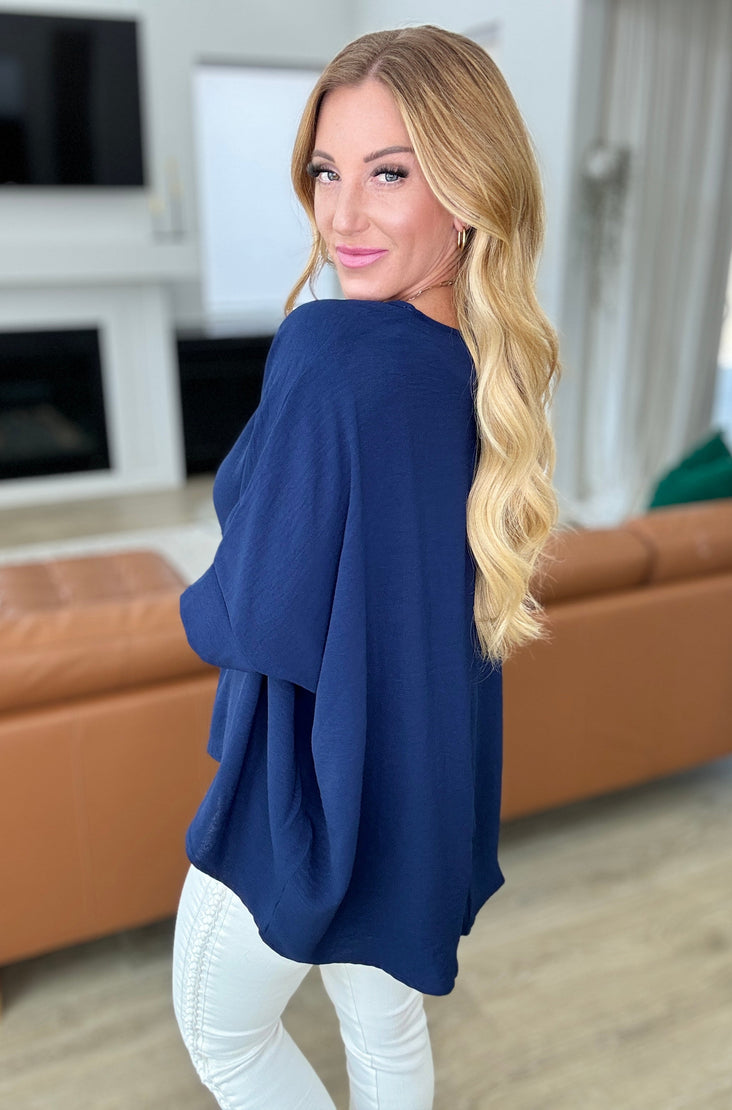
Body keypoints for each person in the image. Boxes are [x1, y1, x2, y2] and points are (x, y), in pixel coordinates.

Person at [172, 23, 560, 1110]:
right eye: (325, 172)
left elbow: (251, 612)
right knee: (382, 1023)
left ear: (468, 190)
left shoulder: (331, 353)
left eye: (388, 173)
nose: (340, 216)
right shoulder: (488, 367)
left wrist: (201, 599)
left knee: (222, 1033)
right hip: (420, 772)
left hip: (310, 771)